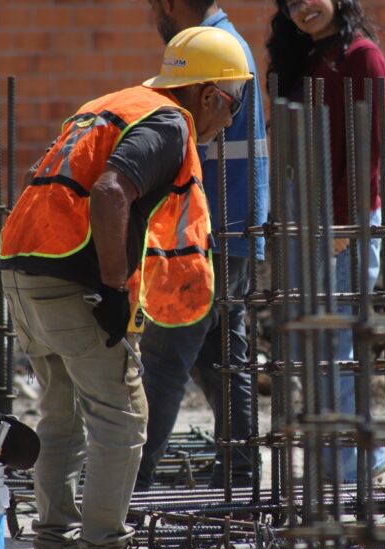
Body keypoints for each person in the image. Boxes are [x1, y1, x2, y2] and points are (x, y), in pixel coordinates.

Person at [0, 27, 251, 549]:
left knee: (59, 417)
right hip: (73, 280)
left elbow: (38, 178)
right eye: (233, 105)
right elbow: (112, 191)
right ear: (207, 94)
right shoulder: (167, 123)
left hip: (22, 268)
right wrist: (113, 287)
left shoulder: (109, 105)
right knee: (123, 416)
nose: (229, 121)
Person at [135, 0, 269, 492]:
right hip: (231, 227)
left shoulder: (214, 51)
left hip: (206, 229)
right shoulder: (226, 42)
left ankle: (131, 479)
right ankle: (239, 472)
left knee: (165, 355)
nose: (154, 18)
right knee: (221, 357)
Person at [267, 0, 385, 483]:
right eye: (290, 5)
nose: (302, 10)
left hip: (342, 218)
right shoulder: (313, 59)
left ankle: (353, 466)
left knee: (337, 341)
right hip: (305, 213)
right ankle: (333, 460)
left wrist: (346, 220)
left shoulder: (362, 57)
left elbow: (370, 147)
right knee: (316, 341)